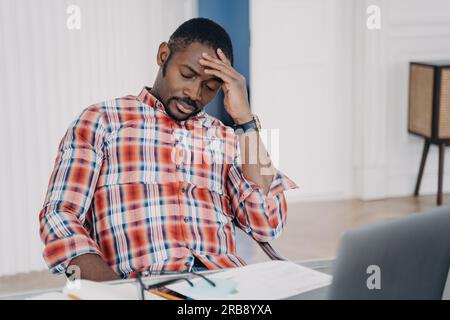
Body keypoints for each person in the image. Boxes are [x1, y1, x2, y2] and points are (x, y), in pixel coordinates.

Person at [39, 17, 298, 281]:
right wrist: (116, 293)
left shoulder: (225, 138)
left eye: (210, 87)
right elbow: (59, 216)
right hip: (146, 285)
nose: (195, 93)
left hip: (225, 283)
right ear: (163, 55)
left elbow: (267, 224)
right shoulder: (102, 121)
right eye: (187, 75)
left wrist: (245, 121)